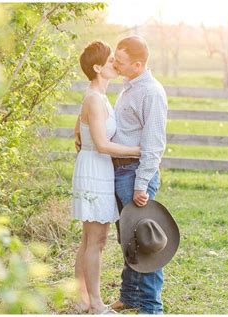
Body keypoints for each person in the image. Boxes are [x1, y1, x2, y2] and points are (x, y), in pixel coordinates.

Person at [72, 40, 140, 314]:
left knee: (89, 239)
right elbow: (101, 144)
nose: (116, 63)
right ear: (97, 67)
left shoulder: (96, 96)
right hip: (95, 169)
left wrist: (77, 130)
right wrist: (138, 151)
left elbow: (81, 126)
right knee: (96, 241)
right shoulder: (94, 99)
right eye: (111, 60)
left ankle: (82, 299)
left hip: (96, 167)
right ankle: (96, 304)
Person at [109, 35, 168, 314]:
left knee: (144, 241)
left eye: (120, 61)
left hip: (135, 174)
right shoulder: (128, 87)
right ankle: (130, 295)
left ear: (137, 63)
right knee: (127, 238)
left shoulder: (151, 92)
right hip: (120, 170)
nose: (115, 64)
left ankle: (151, 305)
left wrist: (142, 184)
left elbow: (154, 143)